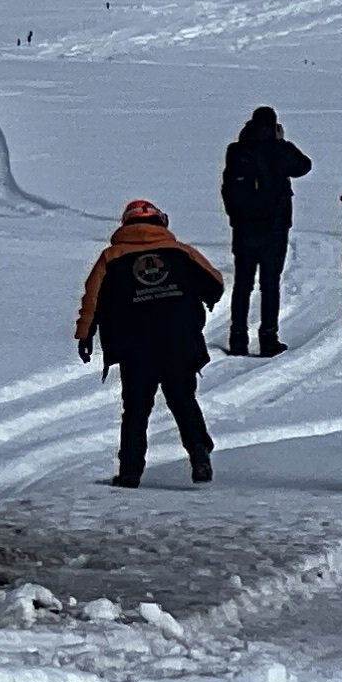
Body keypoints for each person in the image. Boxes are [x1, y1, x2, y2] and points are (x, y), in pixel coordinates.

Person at [76, 200, 224, 488]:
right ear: (160, 223)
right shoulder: (182, 253)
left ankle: (130, 472)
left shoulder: (111, 257)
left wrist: (84, 334)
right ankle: (199, 455)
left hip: (134, 347)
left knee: (135, 409)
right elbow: (215, 284)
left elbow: (91, 300)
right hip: (179, 342)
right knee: (183, 401)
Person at [220, 108, 310, 357]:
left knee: (243, 284)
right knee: (270, 285)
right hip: (274, 228)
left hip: (244, 227)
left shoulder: (236, 150)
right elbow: (303, 166)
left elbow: (227, 188)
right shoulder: (277, 149)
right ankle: (268, 338)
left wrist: (235, 218)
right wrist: (283, 142)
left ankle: (237, 338)